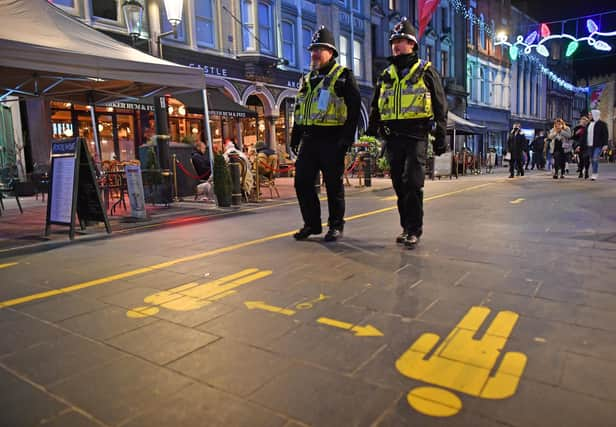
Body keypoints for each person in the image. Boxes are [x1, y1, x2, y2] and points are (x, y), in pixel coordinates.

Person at [366, 17, 448, 249]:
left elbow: (440, 105)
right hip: (393, 138)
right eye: (394, 41)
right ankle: (405, 227)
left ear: (412, 44)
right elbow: (376, 105)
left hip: (416, 136)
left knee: (412, 183)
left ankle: (414, 229)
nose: (396, 45)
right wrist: (372, 129)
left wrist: (441, 135)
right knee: (398, 185)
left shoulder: (425, 70)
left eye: (402, 41)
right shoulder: (386, 74)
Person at [290, 26, 361, 242]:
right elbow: (300, 110)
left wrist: (347, 138)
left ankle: (336, 226)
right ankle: (311, 224)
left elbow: (355, 108)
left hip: (332, 139)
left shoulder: (343, 76)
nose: (314, 53)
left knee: (333, 185)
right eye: (313, 49)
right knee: (301, 182)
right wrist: (295, 135)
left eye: (319, 49)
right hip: (310, 140)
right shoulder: (307, 79)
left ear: (330, 52)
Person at [587, 109, 609, 180]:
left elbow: (605, 134)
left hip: (598, 145)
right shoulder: (589, 124)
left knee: (595, 158)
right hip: (589, 145)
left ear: (594, 115)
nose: (589, 116)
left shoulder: (602, 124)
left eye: (590, 115)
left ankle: (594, 173)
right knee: (592, 159)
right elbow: (586, 135)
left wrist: (605, 144)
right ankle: (594, 172)